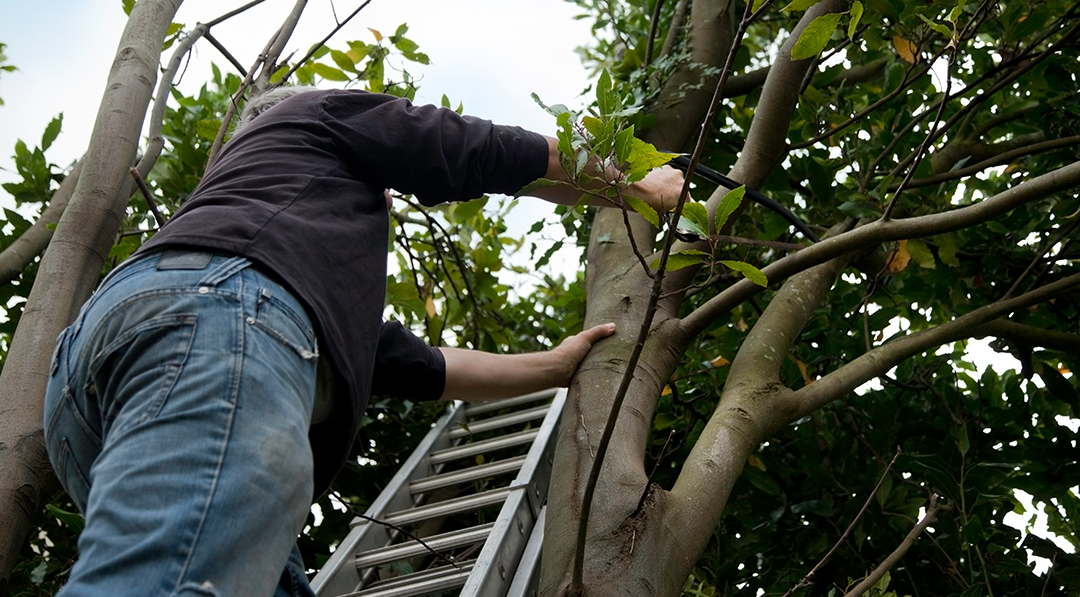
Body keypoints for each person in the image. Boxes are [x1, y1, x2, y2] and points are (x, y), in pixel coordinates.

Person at [43, 87, 685, 597]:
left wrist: (551, 366)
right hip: (216, 318)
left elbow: (416, 365)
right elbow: (463, 145)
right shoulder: (316, 110)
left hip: (90, 383)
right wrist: (634, 186)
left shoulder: (297, 264)